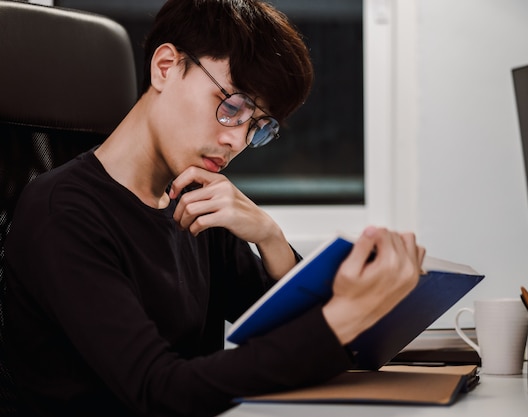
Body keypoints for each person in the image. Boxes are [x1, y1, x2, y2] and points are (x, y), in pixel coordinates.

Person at [3, 0, 426, 416]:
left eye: (257, 127)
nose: (238, 142)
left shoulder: (196, 202)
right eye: (233, 107)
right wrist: (343, 317)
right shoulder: (62, 212)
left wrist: (270, 237)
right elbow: (159, 391)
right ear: (165, 67)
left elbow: (289, 342)